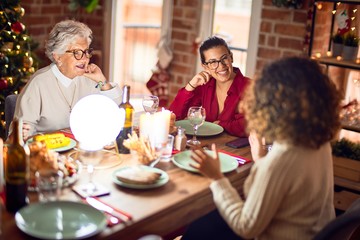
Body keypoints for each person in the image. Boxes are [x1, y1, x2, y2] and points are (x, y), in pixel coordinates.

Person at [183, 57, 341, 240]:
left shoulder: (281, 160)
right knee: (207, 224)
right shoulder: (318, 142)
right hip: (312, 234)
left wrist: (216, 177)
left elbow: (246, 226)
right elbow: (287, 186)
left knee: (199, 227)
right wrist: (261, 159)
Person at [13, 20, 122, 140]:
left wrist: (103, 81)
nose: (85, 59)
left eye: (86, 52)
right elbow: (19, 134)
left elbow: (117, 111)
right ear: (58, 56)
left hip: (81, 151)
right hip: (48, 152)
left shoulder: (89, 79)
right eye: (77, 53)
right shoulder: (39, 83)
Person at [169, 36, 250, 137]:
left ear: (231, 57)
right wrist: (191, 86)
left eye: (224, 58)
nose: (221, 66)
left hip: (238, 150)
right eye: (213, 62)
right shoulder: (206, 85)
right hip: (209, 146)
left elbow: (249, 125)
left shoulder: (250, 87)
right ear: (205, 66)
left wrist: (221, 125)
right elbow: (174, 116)